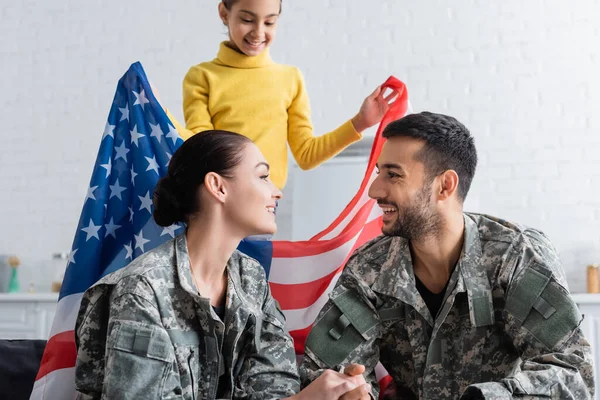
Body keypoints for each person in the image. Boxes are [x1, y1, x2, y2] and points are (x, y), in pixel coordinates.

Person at [299, 112, 595, 399]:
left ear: (445, 186)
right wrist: (351, 393)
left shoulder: (515, 257)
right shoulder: (368, 269)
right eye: (379, 173)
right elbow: (324, 373)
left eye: (393, 175)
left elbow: (573, 372)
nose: (374, 190)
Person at [73, 130, 371, 399]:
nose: (276, 191)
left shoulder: (250, 279)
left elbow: (274, 388)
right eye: (263, 176)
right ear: (218, 186)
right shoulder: (142, 290)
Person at [166, 0, 397, 191]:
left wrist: (360, 122)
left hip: (266, 203)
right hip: (219, 199)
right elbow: (199, 145)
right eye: (247, 19)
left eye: (269, 22)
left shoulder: (290, 78)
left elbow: (306, 155)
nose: (258, 32)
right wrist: (157, 109)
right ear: (224, 13)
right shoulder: (202, 76)